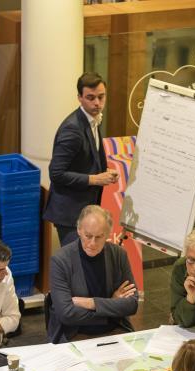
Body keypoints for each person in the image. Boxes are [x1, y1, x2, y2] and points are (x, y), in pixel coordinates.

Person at [42, 72, 119, 247]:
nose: (97, 103)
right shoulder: (72, 130)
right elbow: (56, 173)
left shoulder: (92, 120)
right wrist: (95, 179)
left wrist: (104, 172)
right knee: (76, 266)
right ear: (79, 98)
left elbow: (85, 159)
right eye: (90, 98)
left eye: (101, 97)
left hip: (83, 209)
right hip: (70, 214)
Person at [47, 205, 138, 343]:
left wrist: (91, 303)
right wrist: (112, 306)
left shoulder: (118, 255)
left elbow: (132, 304)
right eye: (88, 236)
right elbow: (66, 314)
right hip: (75, 333)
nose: (92, 243)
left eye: (99, 237)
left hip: (115, 330)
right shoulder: (60, 260)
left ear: (107, 234)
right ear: (79, 230)